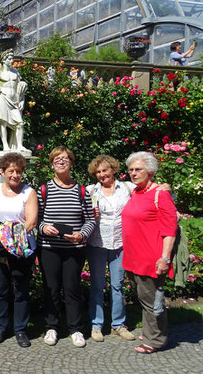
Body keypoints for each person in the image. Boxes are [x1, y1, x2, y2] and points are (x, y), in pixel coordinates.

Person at [37, 146, 95, 348]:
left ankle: (75, 329)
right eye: (57, 159)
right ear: (52, 164)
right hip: (49, 248)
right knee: (51, 288)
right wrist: (44, 228)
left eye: (65, 159)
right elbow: (37, 219)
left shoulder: (81, 191)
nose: (61, 162)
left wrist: (81, 234)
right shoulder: (43, 190)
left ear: (71, 163)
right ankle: (51, 327)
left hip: (74, 249)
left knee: (72, 288)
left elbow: (90, 220)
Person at [122, 151, 177, 353]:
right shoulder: (136, 192)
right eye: (131, 170)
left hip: (150, 259)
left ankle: (155, 341)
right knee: (144, 298)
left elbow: (169, 230)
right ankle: (150, 331)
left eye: (138, 169)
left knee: (152, 300)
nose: (134, 173)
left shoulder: (159, 194)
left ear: (150, 171)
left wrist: (164, 258)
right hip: (133, 257)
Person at [0, 153, 37, 348]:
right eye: (11, 171)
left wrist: (12, 237)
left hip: (21, 248)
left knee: (21, 289)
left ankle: (20, 330)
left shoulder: (28, 192)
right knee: (1, 288)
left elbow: (31, 221)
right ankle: (0, 327)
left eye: (18, 171)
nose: (15, 175)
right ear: (3, 172)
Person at [86, 155, 136, 343]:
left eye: (105, 170)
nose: (102, 174)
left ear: (113, 169)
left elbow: (151, 188)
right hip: (97, 243)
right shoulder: (91, 191)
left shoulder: (128, 188)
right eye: (98, 172)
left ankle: (118, 325)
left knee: (118, 285)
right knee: (97, 286)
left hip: (120, 243)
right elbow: (82, 213)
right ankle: (96, 325)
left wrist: (165, 187)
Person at [0, 49, 30, 155]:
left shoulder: (16, 73)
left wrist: (22, 101)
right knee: (3, 123)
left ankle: (19, 145)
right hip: (3, 98)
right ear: (4, 60)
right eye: (10, 59)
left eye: (12, 58)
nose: (12, 61)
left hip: (14, 101)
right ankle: (5, 145)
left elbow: (20, 89)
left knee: (19, 123)